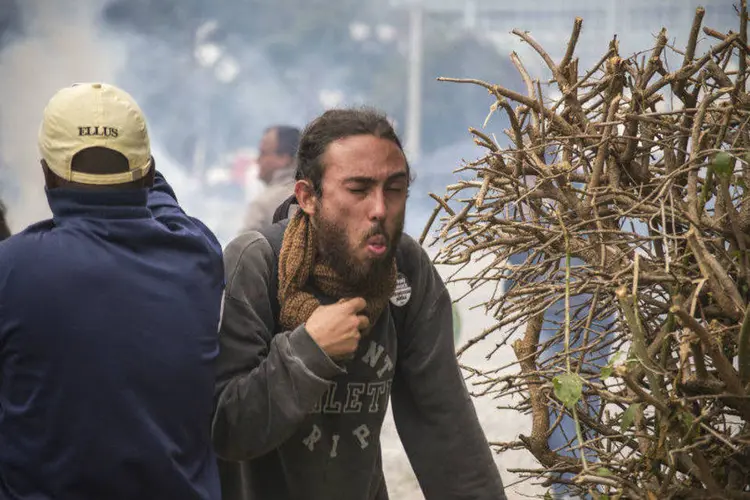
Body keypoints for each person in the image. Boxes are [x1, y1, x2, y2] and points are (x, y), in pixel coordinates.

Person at [213, 107, 507, 500]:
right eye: (358, 190)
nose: (380, 209)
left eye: (395, 188)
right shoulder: (256, 263)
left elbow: (445, 426)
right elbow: (227, 429)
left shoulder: (407, 270)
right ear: (307, 197)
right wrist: (308, 351)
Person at [0, 82, 224, 500]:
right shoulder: (198, 256)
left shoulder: (12, 268)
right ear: (145, 170)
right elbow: (161, 204)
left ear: (47, 173)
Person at [240, 125, 300, 233]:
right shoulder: (316, 196)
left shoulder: (262, 205)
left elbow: (241, 249)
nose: (257, 160)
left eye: (263, 153)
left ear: (283, 158)